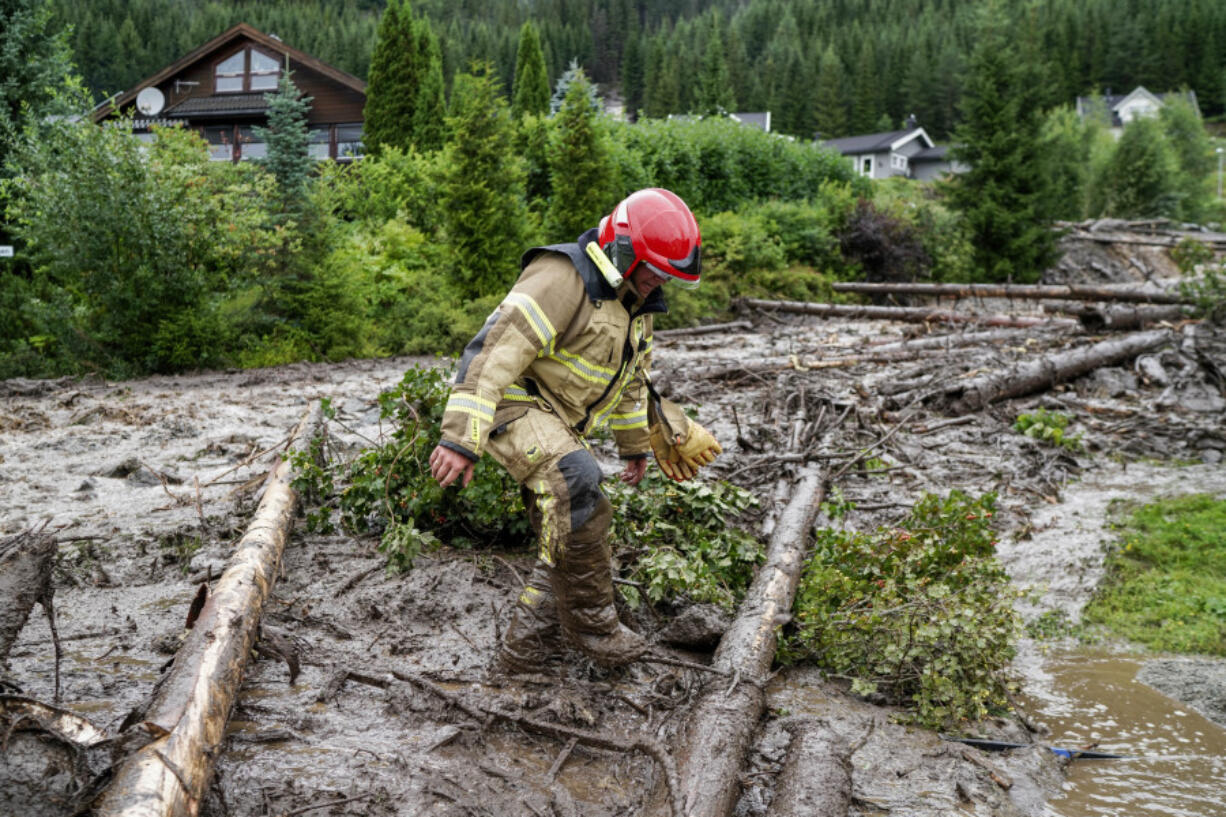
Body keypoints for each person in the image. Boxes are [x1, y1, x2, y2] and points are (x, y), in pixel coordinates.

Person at [428, 188, 722, 672]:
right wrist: (461, 439)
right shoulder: (561, 279)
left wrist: (635, 447)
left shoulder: (635, 304)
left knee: (578, 519)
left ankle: (524, 655)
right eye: (653, 270)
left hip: (555, 419)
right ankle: (592, 628)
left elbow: (631, 380)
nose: (656, 283)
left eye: (667, 276)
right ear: (623, 250)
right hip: (511, 402)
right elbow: (490, 354)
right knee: (576, 480)